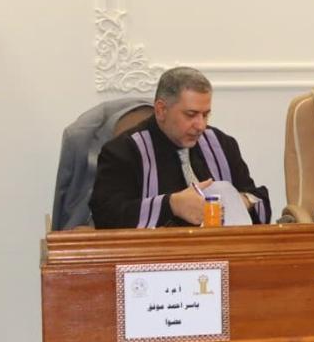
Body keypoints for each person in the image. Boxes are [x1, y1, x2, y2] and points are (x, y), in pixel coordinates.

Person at [90, 66, 271, 228]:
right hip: (158, 254)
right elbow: (106, 216)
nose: (200, 125)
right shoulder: (124, 151)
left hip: (219, 251)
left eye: (205, 115)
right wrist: (171, 205)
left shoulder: (221, 145)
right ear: (161, 110)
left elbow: (258, 198)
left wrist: (241, 202)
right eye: (191, 115)